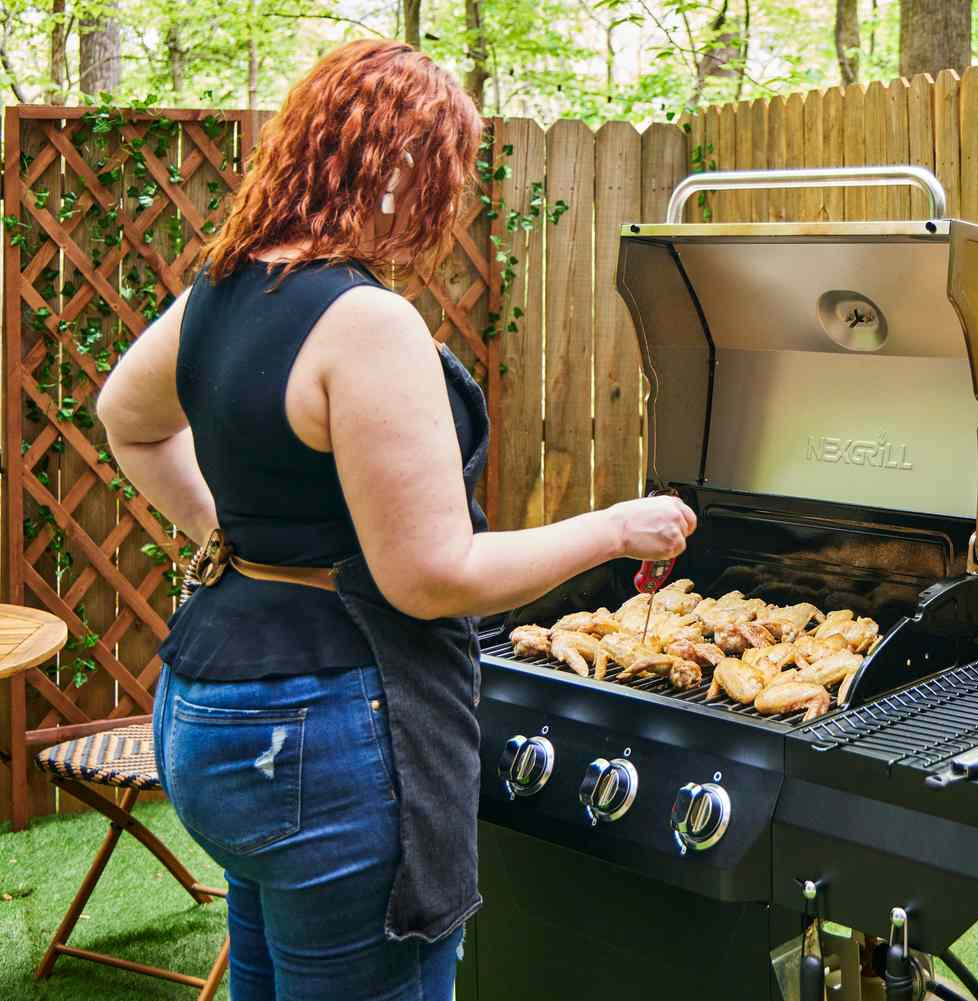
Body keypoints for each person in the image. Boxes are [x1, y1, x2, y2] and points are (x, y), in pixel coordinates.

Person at [96, 38, 695, 1001]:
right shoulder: (368, 323)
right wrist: (615, 528)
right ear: (403, 167)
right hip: (322, 732)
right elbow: (431, 574)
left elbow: (123, 419)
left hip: (205, 709)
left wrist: (232, 542)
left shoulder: (222, 288)